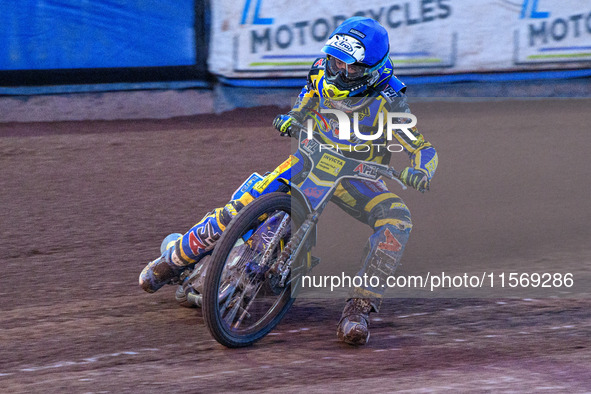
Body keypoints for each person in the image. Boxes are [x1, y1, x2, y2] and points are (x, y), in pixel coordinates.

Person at [140, 17, 438, 346]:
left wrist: (421, 171)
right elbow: (307, 99)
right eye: (333, 59)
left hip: (358, 176)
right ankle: (173, 260)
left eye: (346, 65)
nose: (335, 69)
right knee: (240, 206)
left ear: (370, 70)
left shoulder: (390, 100)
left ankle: (359, 307)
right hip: (311, 158)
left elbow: (423, 148)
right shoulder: (320, 70)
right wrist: (295, 117)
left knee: (398, 220)